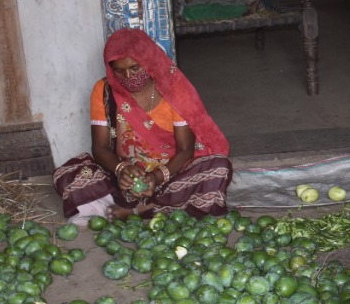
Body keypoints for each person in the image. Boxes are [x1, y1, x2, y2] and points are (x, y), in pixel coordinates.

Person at [53, 28, 233, 223]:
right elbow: (100, 147)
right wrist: (122, 169)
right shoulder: (104, 91)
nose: (128, 77)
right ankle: (156, 208)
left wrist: (156, 177)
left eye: (135, 68)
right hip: (124, 177)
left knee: (218, 170)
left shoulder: (174, 89)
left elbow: (185, 150)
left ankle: (139, 210)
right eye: (119, 71)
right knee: (70, 174)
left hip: (171, 174)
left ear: (148, 61)